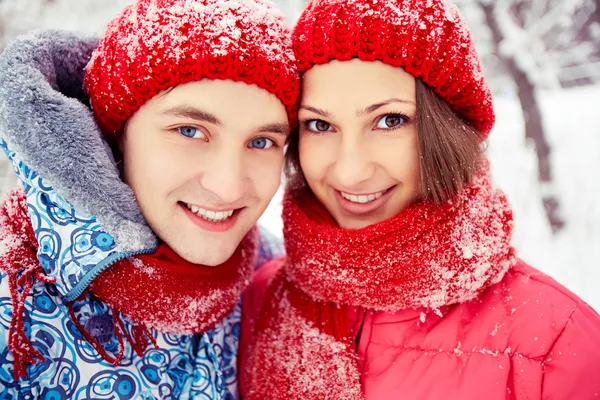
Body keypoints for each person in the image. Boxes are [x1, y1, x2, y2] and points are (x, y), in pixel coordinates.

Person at [239, 0, 600, 398]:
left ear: (447, 129)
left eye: (390, 120)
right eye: (320, 124)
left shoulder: (555, 344)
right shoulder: (256, 303)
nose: (350, 171)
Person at [0, 0, 298, 398]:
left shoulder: (273, 280)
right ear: (117, 132)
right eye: (190, 131)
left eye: (261, 142)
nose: (227, 187)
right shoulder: (13, 300)